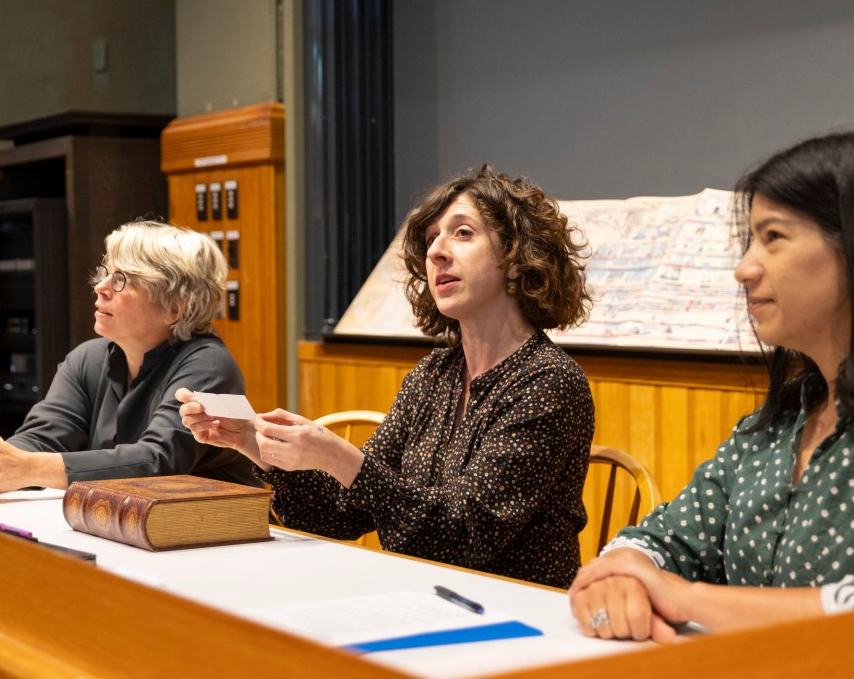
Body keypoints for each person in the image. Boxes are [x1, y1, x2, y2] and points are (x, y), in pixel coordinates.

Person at [570, 130, 854, 641]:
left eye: (773, 238)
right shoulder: (778, 422)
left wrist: (689, 598)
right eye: (750, 241)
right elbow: (664, 539)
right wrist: (620, 575)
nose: (743, 269)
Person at [177, 165, 595, 587]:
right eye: (432, 239)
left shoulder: (549, 382)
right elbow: (341, 514)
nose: (436, 252)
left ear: (518, 260)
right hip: (424, 599)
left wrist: (340, 458)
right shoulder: (432, 375)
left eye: (463, 233)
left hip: (517, 617)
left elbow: (463, 538)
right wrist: (254, 443)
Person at [0, 220, 256, 502]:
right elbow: (46, 435)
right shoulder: (88, 358)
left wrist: (26, 468)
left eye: (122, 279)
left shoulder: (210, 366)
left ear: (174, 307)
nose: (100, 287)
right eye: (105, 272)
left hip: (211, 540)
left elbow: (158, 461)